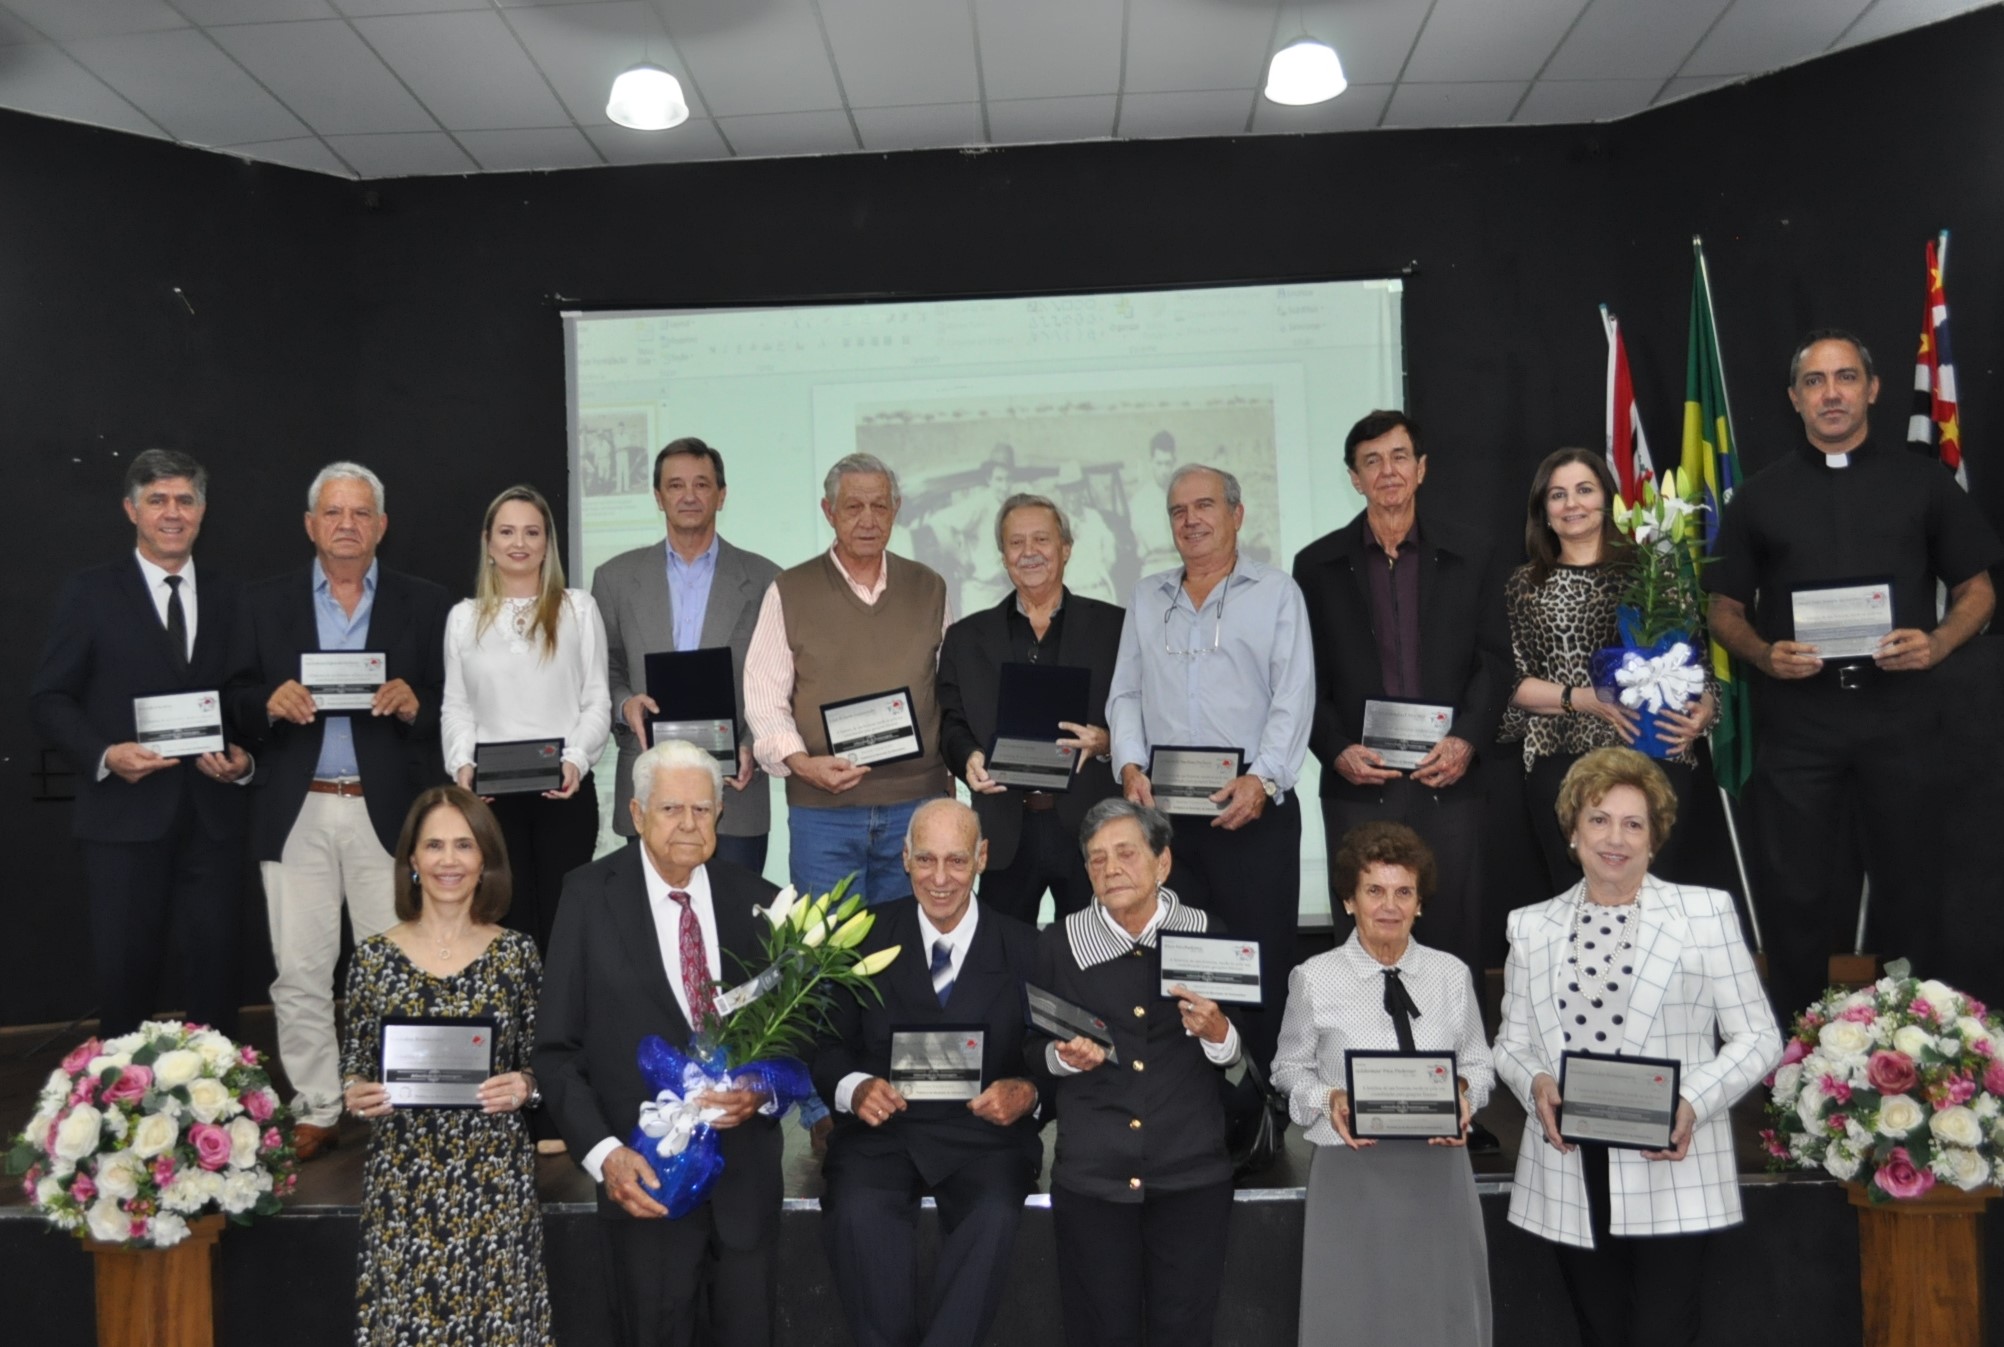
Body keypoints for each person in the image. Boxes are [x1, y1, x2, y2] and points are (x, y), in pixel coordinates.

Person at [1705, 329, 2003, 1020]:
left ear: (1871, 388)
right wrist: (1760, 652)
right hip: (1800, 725)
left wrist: (1936, 642)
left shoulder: (1922, 481)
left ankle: (1917, 1051)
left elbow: (1979, 590)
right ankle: (1800, 1052)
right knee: (1796, 893)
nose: (1831, 392)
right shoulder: (1758, 496)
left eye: (1845, 378)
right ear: (1794, 398)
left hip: (1901, 718)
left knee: (1912, 889)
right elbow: (1722, 610)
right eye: (1815, 381)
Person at [1494, 748, 1780, 1347]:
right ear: (1572, 831)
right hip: (1571, 1164)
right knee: (1600, 1332)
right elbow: (1512, 1043)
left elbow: (1759, 1037)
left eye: (1633, 823)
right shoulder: (1530, 925)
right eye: (1599, 820)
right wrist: (1536, 1084)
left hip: (1670, 1162)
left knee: (1662, 1333)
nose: (1615, 838)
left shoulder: (1706, 913)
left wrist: (1692, 1103)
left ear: (1655, 837)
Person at [230, 462, 450, 1160]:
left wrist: (420, 708)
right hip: (298, 810)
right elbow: (229, 696)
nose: (347, 524)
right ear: (310, 524)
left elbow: (458, 706)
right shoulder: (264, 603)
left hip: (387, 814)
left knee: (397, 969)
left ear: (382, 526)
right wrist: (265, 706)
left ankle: (399, 1099)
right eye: (333, 513)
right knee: (299, 969)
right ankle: (318, 1106)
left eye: (361, 513)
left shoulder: (427, 602)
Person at [534, 741, 783, 1347]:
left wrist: (765, 1089)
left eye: (703, 810)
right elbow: (556, 1052)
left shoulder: (762, 901)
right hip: (643, 1179)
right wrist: (604, 1157)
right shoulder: (588, 896)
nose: (689, 825)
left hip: (743, 1181)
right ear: (637, 813)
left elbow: (795, 1035)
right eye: (672, 809)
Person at [30, 449, 255, 1038]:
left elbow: (246, 695)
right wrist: (105, 755)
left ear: (203, 511)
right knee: (125, 979)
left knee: (217, 974)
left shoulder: (235, 595)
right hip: (123, 822)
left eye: (185, 500)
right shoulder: (89, 593)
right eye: (157, 500)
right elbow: (50, 699)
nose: (172, 513)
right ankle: (120, 1115)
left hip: (214, 818)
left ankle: (225, 1119)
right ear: (131, 510)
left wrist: (245, 756)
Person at [812, 799, 1042, 1347]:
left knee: (993, 1214)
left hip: (986, 1138)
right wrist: (854, 1088)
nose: (940, 879)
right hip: (881, 1134)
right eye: (927, 861)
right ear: (905, 857)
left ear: (983, 858)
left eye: (957, 861)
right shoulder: (861, 936)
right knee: (859, 1211)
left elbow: (1049, 1052)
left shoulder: (1027, 947)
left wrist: (1028, 1092)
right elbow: (824, 1044)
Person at [1107, 462, 1314, 1073]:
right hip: (1166, 815)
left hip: (1251, 804)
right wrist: (1128, 765)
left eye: (1204, 506)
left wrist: (1266, 777)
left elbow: (1292, 695)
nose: (1191, 520)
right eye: (1178, 511)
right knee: (1176, 955)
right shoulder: (1147, 597)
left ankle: (1265, 1089)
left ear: (1236, 514)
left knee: (1258, 954)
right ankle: (1190, 1086)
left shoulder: (1277, 593)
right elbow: (1125, 694)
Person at [1292, 410, 1509, 987]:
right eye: (1371, 461)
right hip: (1360, 784)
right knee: (1361, 948)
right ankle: (1356, 1069)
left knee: (1454, 933)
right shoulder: (1316, 566)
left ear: (1421, 469)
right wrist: (1335, 747)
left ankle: (1461, 1073)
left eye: (1399, 457)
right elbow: (1300, 679)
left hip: (1450, 780)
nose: (1387, 471)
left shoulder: (1472, 554)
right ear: (1354, 478)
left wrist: (1466, 739)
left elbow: (1494, 663)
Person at [1025, 798, 1241, 1347]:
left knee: (1185, 1333)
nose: (1110, 869)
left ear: (1162, 864)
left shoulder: (1210, 935)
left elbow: (1246, 1069)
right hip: (1094, 1177)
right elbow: (1029, 1051)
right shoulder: (1058, 944)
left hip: (1191, 1174)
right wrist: (1060, 1058)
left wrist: (1220, 1037)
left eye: (1125, 853)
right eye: (1096, 860)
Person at [339, 785, 548, 1346]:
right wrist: (355, 1092)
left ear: (486, 860)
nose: (448, 861)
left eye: (464, 845)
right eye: (434, 846)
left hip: (493, 1180)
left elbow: (543, 1063)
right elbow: (356, 1064)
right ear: (412, 860)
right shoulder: (373, 957)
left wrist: (525, 1086)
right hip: (403, 1179)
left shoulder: (518, 955)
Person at [1271, 820, 1493, 1345]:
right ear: (1349, 900)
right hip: (1352, 1172)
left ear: (1420, 902)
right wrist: (1330, 1100)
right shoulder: (1314, 977)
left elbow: (1481, 1064)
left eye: (1403, 892)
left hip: (1438, 1170)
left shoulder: (1451, 974)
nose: (1389, 905)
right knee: (1351, 1317)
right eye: (1374, 891)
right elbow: (1287, 1069)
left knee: (1439, 1318)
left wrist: (1464, 1097)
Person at [1501, 450, 1715, 893]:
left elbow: (1701, 666)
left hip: (1655, 756)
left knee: (1655, 901)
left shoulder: (1656, 570)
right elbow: (1511, 683)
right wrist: (1584, 699)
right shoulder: (1523, 585)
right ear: (1543, 510)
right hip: (1561, 760)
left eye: (1584, 490)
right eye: (1557, 495)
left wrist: (1705, 711)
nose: (1572, 504)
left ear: (1608, 500)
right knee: (1574, 899)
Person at [744, 451, 951, 906]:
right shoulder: (790, 590)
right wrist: (800, 763)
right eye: (854, 507)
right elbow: (763, 697)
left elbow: (949, 691)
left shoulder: (929, 586)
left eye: (880, 506)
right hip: (824, 816)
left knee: (906, 955)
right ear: (828, 512)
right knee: (827, 957)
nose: (868, 519)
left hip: (915, 809)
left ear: (896, 510)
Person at [595, 438, 780, 875]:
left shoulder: (766, 578)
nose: (689, 495)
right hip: (648, 781)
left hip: (735, 788)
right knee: (649, 932)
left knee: (735, 932)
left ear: (722, 493)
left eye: (702, 484)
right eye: (675, 485)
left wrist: (752, 743)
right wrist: (625, 703)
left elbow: (783, 678)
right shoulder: (615, 578)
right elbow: (603, 667)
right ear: (658, 497)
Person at [938, 492, 1123, 925]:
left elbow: (1147, 713)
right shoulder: (966, 638)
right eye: (1016, 543)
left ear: (1066, 548)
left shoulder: (1116, 628)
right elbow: (951, 721)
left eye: (1041, 539)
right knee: (1001, 960)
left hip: (1090, 828)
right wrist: (969, 757)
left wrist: (1107, 742)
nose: (1029, 552)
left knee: (1094, 961)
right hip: (1005, 830)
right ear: (1003, 557)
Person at [442, 485, 609, 954]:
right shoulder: (463, 618)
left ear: (547, 543)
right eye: (508, 531)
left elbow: (596, 700)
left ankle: (563, 1029)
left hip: (565, 793)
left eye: (532, 532)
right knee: (503, 928)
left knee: (564, 926)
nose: (520, 543)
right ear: (488, 543)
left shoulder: (578, 608)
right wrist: (463, 766)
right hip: (491, 801)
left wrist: (576, 759)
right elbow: (456, 708)